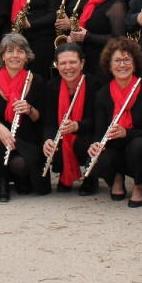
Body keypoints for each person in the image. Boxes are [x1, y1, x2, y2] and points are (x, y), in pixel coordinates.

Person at [86, 38, 142, 207]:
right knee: (96, 160)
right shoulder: (103, 94)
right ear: (110, 66)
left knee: (138, 145)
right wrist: (95, 144)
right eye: (117, 61)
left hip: (138, 145)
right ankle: (116, 177)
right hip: (114, 146)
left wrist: (127, 133)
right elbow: (99, 131)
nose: (122, 65)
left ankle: (138, 185)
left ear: (134, 64)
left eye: (127, 60)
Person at [0, 33, 47, 203]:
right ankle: (1, 182)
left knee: (20, 165)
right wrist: (1, 128)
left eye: (20, 51)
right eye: (9, 51)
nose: (15, 55)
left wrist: (30, 110)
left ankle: (21, 178)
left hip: (28, 138)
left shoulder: (36, 80)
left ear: (27, 56)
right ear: (2, 56)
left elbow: (42, 118)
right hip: (0, 140)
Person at [41, 44, 100, 193]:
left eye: (73, 62)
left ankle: (90, 177)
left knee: (82, 143)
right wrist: (48, 140)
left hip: (86, 134)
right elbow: (49, 121)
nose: (68, 67)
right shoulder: (51, 86)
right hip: (64, 134)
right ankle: (64, 173)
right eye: (63, 63)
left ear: (82, 63)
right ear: (57, 65)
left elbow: (96, 121)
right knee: (54, 145)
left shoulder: (94, 84)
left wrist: (76, 126)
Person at [69, 0, 126, 78]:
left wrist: (87, 36)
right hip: (88, 60)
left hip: (102, 65)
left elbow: (118, 40)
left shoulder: (116, 4)